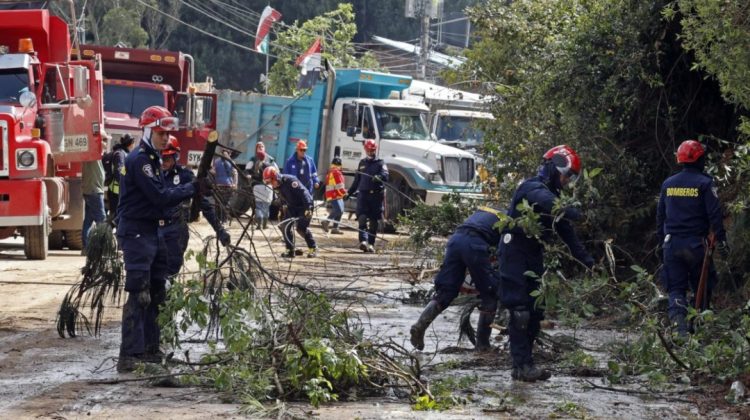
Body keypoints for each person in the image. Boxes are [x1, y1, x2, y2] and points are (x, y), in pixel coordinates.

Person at [115, 105, 207, 373]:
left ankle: (151, 350)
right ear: (147, 130)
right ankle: (129, 355)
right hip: (137, 232)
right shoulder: (140, 160)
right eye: (160, 133)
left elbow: (164, 194)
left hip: (151, 231)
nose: (165, 138)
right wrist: (191, 188)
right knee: (139, 293)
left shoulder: (153, 159)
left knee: (157, 292)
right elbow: (160, 196)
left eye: (168, 133)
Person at [498, 145, 594, 382]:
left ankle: (525, 364)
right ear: (554, 167)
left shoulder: (555, 197)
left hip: (533, 256)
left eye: (570, 178)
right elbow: (550, 204)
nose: (566, 181)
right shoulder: (531, 187)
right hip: (514, 254)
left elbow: (566, 233)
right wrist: (572, 211)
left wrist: (588, 261)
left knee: (534, 311)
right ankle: (521, 365)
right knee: (519, 311)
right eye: (566, 175)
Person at [656, 140, 728, 337]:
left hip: (671, 245)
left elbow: (660, 217)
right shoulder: (705, 183)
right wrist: (722, 240)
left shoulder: (668, 184)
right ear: (700, 159)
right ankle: (697, 329)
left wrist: (660, 242)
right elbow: (715, 215)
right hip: (696, 246)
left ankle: (681, 331)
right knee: (702, 288)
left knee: (676, 290)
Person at [410, 206, 503, 352]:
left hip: (455, 241)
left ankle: (420, 325)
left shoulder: (486, 212)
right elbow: (504, 254)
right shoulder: (509, 221)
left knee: (447, 290)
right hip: (475, 244)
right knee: (490, 294)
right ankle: (483, 345)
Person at [161, 136, 230, 277]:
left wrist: (220, 230)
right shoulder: (153, 175)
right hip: (154, 230)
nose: (164, 162)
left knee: (169, 274)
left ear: (176, 156)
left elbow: (204, 205)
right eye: (161, 158)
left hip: (176, 231)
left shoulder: (185, 176)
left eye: (167, 159)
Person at [262, 166, 317, 258]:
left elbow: (304, 194)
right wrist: (281, 209)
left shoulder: (291, 181)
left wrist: (308, 208)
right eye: (269, 183)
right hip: (292, 207)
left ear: (276, 177)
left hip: (304, 205)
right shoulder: (276, 186)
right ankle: (290, 250)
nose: (271, 185)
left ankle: (313, 248)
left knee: (301, 229)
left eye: (272, 182)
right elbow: (283, 198)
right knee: (284, 226)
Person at [347, 139, 388, 253]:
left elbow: (386, 175)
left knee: (374, 222)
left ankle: (371, 244)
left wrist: (380, 177)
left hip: (375, 196)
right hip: (363, 195)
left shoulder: (380, 163)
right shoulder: (362, 163)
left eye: (372, 150)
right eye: (369, 150)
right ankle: (363, 241)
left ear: (375, 150)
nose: (370, 152)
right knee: (362, 218)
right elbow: (357, 181)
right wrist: (348, 192)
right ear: (365, 149)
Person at [245, 142, 278, 229]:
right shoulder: (270, 161)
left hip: (257, 186)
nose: (260, 148)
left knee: (258, 206)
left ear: (264, 148)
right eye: (259, 146)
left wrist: (249, 176)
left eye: (262, 146)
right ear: (256, 148)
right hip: (268, 187)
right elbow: (276, 172)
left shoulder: (254, 159)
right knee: (266, 207)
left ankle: (259, 224)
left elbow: (247, 170)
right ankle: (265, 225)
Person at [82, 144, 107, 253]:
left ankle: (86, 247)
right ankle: (102, 247)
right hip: (95, 191)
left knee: (88, 220)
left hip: (89, 190)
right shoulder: (94, 155)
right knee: (101, 220)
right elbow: (101, 145)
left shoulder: (89, 156)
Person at [106, 134, 135, 222]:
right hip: (117, 192)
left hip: (117, 191)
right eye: (133, 143)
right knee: (115, 216)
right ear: (130, 143)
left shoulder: (122, 153)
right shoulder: (120, 154)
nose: (134, 145)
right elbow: (119, 172)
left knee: (116, 216)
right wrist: (126, 185)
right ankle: (106, 234)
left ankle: (109, 233)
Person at [321, 157, 346, 235]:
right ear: (340, 164)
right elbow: (339, 185)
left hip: (334, 194)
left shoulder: (332, 171)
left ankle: (335, 228)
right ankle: (326, 222)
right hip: (334, 195)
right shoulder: (336, 172)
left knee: (340, 211)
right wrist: (345, 193)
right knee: (338, 210)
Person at [211, 148, 237, 222]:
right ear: (229, 154)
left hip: (218, 185)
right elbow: (235, 173)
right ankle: (224, 220)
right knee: (226, 203)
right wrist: (235, 184)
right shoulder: (232, 162)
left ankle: (218, 219)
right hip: (228, 185)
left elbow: (213, 172)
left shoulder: (216, 161)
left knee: (218, 202)